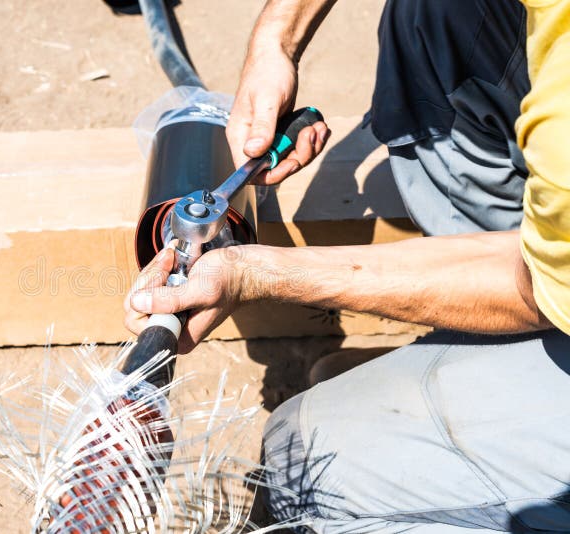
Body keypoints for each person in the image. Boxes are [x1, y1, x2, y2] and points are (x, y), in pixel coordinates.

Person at [125, 0, 570, 531]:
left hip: (538, 283)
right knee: (433, 15)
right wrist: (276, 40)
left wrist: (257, 273)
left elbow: (526, 285)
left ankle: (494, 386)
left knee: (301, 458)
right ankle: (479, 355)